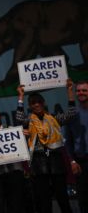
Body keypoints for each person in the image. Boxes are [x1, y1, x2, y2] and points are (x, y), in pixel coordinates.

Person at [16, 80, 76, 213]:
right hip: (38, 163)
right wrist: (21, 97)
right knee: (44, 201)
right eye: (33, 103)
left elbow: (71, 114)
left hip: (56, 161)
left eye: (39, 101)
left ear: (43, 103)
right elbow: (19, 119)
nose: (36, 104)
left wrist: (70, 91)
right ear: (30, 106)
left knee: (63, 199)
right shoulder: (28, 120)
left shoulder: (54, 118)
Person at [64, 80, 88, 213]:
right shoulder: (72, 114)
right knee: (84, 198)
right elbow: (67, 142)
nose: (81, 93)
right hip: (81, 161)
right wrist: (72, 161)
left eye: (84, 90)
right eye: (78, 90)